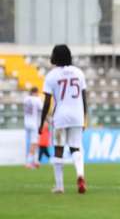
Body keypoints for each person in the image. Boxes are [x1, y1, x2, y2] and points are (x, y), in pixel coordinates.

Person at [39, 44, 88, 194]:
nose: (51, 57)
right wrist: (84, 117)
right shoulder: (79, 73)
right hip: (77, 115)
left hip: (60, 116)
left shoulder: (52, 75)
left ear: (57, 56)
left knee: (58, 149)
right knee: (76, 147)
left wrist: (41, 123)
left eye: (53, 54)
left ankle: (60, 186)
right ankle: (80, 174)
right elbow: (84, 97)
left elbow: (47, 102)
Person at [23, 87, 43, 169]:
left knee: (29, 143)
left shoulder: (26, 99)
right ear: (36, 92)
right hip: (34, 123)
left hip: (26, 122)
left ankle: (35, 161)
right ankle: (29, 162)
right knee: (34, 143)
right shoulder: (37, 99)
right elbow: (42, 109)